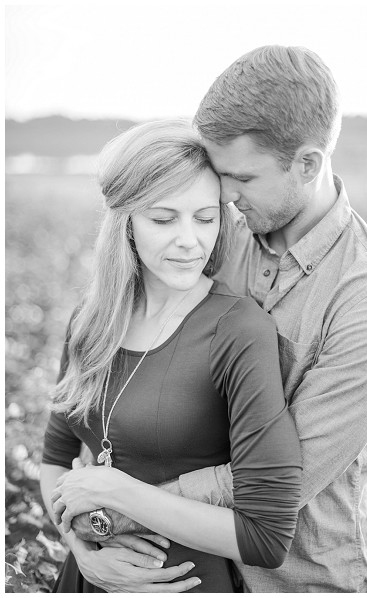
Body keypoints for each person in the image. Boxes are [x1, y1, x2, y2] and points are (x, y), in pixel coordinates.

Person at [53, 46, 367, 592]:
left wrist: (109, 506)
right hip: (182, 568)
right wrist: (86, 534)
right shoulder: (216, 230)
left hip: (296, 578)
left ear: (307, 163)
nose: (224, 195)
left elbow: (281, 481)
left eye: (240, 178)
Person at [40, 119, 302, 593]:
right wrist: (83, 550)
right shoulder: (91, 320)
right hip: (85, 579)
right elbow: (56, 459)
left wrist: (116, 492)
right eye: (164, 219)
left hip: (188, 583)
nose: (190, 240)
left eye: (205, 218)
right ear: (127, 224)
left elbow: (266, 536)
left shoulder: (237, 328)